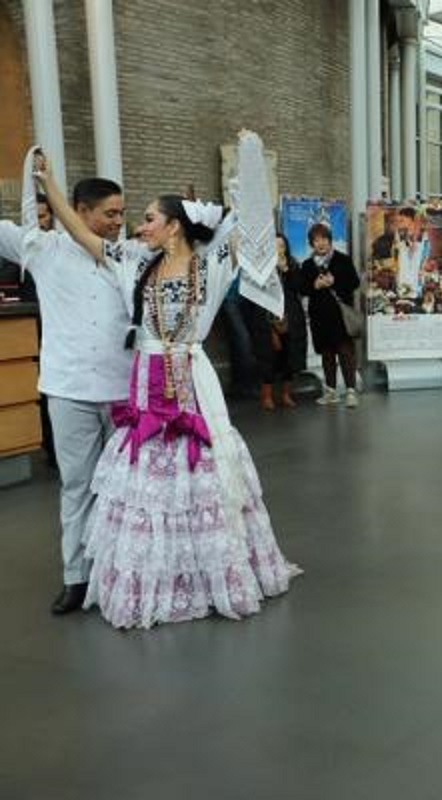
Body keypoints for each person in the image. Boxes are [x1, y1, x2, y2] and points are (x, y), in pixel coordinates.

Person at [33, 131, 300, 629]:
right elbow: (79, 233)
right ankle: (152, 575)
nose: (139, 225)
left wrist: (247, 163)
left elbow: (249, 221)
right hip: (145, 379)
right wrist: (50, 186)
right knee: (150, 482)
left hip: (191, 376)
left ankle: (202, 573)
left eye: (150, 218)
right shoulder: (134, 262)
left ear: (174, 226)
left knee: (198, 475)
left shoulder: (213, 266)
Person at [0, 162, 133, 616]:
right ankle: (75, 578)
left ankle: (118, 572)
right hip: (69, 389)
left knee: (121, 488)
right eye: (110, 214)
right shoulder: (43, 248)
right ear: (79, 211)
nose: (119, 222)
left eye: (122, 214)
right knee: (76, 485)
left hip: (122, 392)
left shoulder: (126, 256)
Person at [244, 233, 306, 410]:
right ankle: (267, 396)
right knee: (267, 357)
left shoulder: (293, 264)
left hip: (290, 317)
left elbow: (299, 288)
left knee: (289, 357)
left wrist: (286, 270)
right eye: (274, 246)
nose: (279, 249)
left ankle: (286, 395)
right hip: (266, 318)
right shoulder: (261, 269)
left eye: (282, 246)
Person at [302, 222, 360, 408]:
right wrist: (314, 286)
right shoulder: (307, 264)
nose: (321, 243)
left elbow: (355, 282)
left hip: (340, 317)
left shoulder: (342, 259)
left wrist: (336, 281)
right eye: (316, 240)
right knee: (327, 354)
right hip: (320, 318)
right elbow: (302, 288)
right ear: (312, 243)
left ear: (330, 240)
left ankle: (351, 391)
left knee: (345, 353)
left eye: (324, 239)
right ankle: (331, 392)